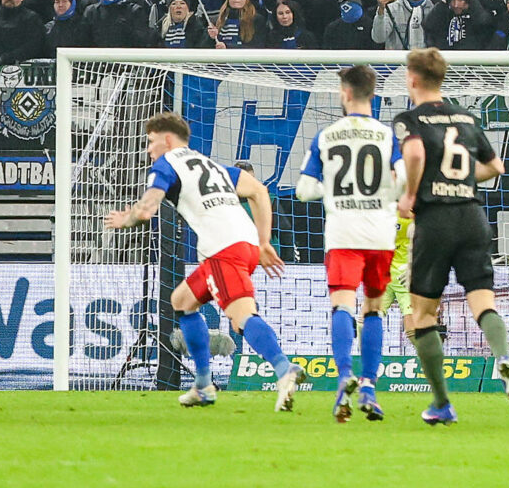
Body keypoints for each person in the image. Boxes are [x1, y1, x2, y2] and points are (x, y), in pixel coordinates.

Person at [103, 112, 298, 410]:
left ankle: (285, 370)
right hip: (243, 244)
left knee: (241, 317)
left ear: (167, 140)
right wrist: (263, 241)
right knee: (182, 300)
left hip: (223, 249)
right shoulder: (209, 164)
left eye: (151, 141)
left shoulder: (165, 164)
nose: (148, 149)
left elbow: (146, 210)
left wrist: (124, 219)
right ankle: (204, 385)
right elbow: (258, 191)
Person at [393, 46, 509, 424]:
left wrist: (412, 194)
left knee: (422, 315)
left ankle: (441, 404)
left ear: (413, 79)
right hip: (472, 215)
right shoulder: (466, 118)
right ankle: (503, 358)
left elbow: (415, 154)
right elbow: (495, 166)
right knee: (483, 302)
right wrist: (461, 181)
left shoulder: (409, 119)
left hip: (435, 220)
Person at [294, 63, 402, 421]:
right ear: (372, 94)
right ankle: (369, 386)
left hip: (343, 232)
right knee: (373, 308)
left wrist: (336, 190)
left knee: (342, 305)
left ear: (344, 93)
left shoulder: (326, 135)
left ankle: (344, 378)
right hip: (380, 233)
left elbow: (303, 190)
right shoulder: (387, 136)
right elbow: (403, 183)